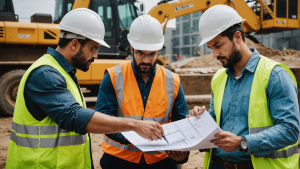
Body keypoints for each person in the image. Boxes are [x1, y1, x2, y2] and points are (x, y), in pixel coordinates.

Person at [6, 9, 165, 169]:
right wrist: (135, 125)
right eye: (94, 48)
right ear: (74, 44)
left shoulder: (63, 72)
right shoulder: (45, 74)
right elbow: (73, 116)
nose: (96, 56)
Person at [190, 5, 299, 169]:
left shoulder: (274, 75)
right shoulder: (218, 78)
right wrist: (200, 122)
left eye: (218, 46)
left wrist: (243, 142)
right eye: (211, 48)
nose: (214, 54)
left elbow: (290, 129)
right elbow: (216, 122)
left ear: (237, 36)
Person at [95, 15, 189, 169]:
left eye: (152, 54)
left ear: (158, 51)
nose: (146, 60)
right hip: (119, 161)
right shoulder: (113, 77)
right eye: (141, 53)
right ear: (131, 48)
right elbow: (103, 122)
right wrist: (136, 134)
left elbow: (182, 123)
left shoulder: (172, 80)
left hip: (161, 162)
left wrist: (183, 154)